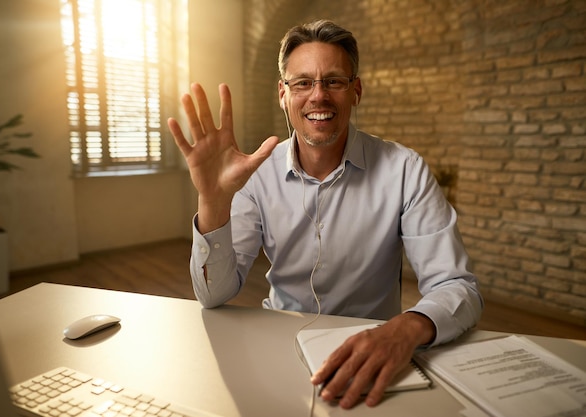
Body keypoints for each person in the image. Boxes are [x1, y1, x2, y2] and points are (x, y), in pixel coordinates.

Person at [167, 19, 483, 409]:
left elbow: (458, 287)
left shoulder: (404, 169)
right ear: (283, 94)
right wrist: (213, 200)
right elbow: (214, 295)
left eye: (333, 81)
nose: (318, 96)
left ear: (356, 91)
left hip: (375, 351)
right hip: (276, 348)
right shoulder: (255, 175)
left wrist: (404, 329)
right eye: (302, 83)